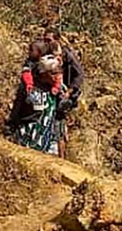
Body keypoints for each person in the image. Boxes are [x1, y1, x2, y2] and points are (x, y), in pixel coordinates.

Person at [7, 53, 63, 156]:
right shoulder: (30, 88)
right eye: (53, 73)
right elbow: (18, 106)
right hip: (27, 135)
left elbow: (59, 115)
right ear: (44, 73)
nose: (57, 77)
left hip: (48, 138)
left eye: (59, 72)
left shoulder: (57, 88)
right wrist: (11, 124)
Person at [44, 29, 84, 158]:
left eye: (49, 40)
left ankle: (61, 158)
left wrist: (69, 91)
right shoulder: (46, 54)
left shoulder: (68, 55)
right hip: (50, 93)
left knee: (58, 124)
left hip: (64, 93)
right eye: (45, 40)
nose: (47, 43)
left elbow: (79, 75)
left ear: (57, 40)